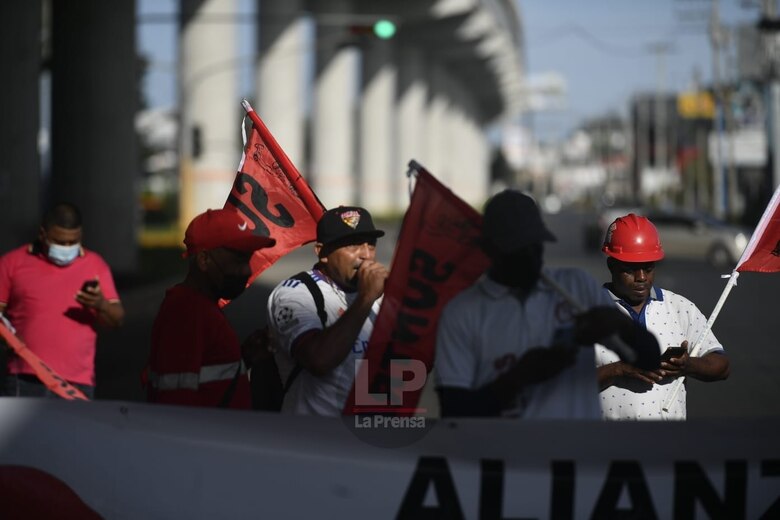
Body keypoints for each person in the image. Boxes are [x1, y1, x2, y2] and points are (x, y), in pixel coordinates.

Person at [435, 190, 660, 419]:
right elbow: (453, 412)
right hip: (505, 453)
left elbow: (649, 359)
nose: (531, 258)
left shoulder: (576, 286)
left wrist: (620, 325)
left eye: (536, 245)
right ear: (488, 248)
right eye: (518, 250)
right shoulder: (462, 313)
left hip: (578, 452)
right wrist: (519, 377)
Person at [596, 213, 730, 420]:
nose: (641, 277)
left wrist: (687, 365)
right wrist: (619, 370)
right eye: (631, 269)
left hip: (670, 446)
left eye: (648, 268)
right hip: (608, 447)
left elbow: (722, 367)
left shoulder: (680, 308)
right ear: (611, 266)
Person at [146, 208, 275, 409]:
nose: (247, 270)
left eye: (248, 259)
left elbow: (206, 378)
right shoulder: (187, 312)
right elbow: (175, 404)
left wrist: (244, 358)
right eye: (239, 260)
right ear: (204, 260)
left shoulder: (200, 306)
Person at [267, 206, 389, 416]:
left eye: (371, 244)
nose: (366, 255)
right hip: (315, 438)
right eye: (353, 245)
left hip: (370, 434)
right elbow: (319, 361)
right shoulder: (295, 293)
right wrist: (366, 298)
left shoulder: (384, 295)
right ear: (321, 252)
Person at [0, 203, 124, 399]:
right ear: (43, 234)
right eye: (59, 241)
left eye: (72, 242)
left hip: (76, 384)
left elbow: (117, 319)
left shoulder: (95, 265)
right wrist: (6, 336)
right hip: (25, 379)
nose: (67, 248)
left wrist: (101, 304)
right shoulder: (12, 263)